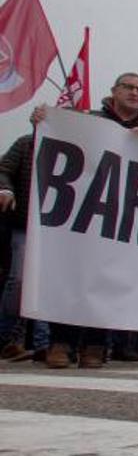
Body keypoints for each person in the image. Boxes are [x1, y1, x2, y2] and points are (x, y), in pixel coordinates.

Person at [35, 73, 138, 369]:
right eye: (128, 87)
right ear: (114, 91)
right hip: (82, 212)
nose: (134, 93)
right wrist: (42, 121)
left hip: (119, 220)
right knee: (74, 275)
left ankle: (96, 345)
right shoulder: (88, 121)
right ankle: (61, 342)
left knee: (107, 280)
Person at [0, 128, 49, 364]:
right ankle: (7, 338)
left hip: (55, 230)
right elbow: (4, 170)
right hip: (25, 224)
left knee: (48, 285)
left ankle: (43, 343)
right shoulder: (25, 143)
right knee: (18, 280)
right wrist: (6, 189)